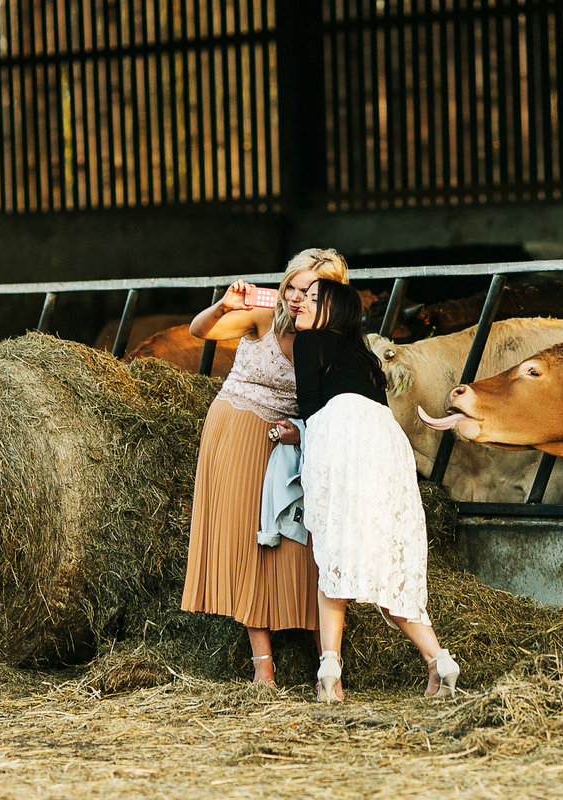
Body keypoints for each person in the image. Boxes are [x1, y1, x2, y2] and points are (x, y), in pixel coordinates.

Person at [180, 248, 349, 686]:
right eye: (290, 287)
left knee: (302, 543)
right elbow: (202, 331)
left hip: (292, 441)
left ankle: (328, 663)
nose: (295, 298)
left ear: (329, 294)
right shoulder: (261, 319)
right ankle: (263, 667)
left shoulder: (333, 341)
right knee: (249, 540)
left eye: (308, 290)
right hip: (237, 427)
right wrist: (223, 305)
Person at [292, 278, 459, 701]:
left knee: (334, 559)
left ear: (334, 311)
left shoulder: (308, 343)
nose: (302, 304)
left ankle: (330, 672)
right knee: (389, 564)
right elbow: (378, 410)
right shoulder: (366, 357)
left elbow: (310, 407)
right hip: (386, 446)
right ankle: (439, 660)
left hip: (340, 438)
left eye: (314, 299)